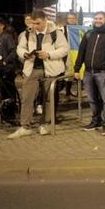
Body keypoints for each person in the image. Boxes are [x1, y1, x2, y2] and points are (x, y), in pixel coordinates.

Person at [8, 11, 69, 139]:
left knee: (48, 98)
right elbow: (20, 48)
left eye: (38, 23)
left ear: (45, 20)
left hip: (51, 69)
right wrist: (25, 54)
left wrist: (49, 54)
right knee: (26, 98)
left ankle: (45, 125)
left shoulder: (56, 33)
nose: (35, 26)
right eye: (33, 23)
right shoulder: (27, 33)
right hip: (32, 69)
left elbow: (64, 49)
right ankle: (25, 127)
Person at [73, 11, 105, 136]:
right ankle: (96, 121)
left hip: (103, 73)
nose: (98, 20)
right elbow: (81, 52)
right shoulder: (89, 34)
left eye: (100, 18)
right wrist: (77, 69)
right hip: (88, 72)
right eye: (96, 18)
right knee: (91, 99)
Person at [0, 17, 19, 120]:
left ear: (2, 26)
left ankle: (10, 114)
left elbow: (14, 51)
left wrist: (5, 61)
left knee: (9, 92)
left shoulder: (6, 37)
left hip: (7, 69)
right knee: (1, 91)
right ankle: (3, 113)